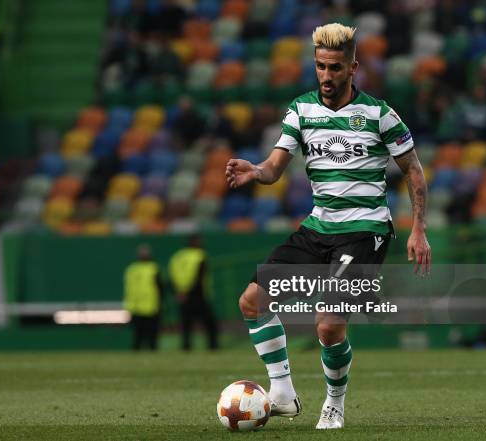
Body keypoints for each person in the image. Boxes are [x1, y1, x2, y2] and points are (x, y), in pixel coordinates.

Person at [225, 23, 431, 429]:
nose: (326, 76)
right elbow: (274, 168)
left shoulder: (379, 113)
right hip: (319, 227)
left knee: (329, 324)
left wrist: (418, 229)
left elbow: (415, 171)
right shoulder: (301, 109)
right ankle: (282, 393)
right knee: (251, 301)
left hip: (365, 231)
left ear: (352, 67)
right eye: (320, 67)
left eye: (335, 68)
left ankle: (334, 403)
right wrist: (255, 171)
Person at [168, 235, 218, 351]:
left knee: (186, 325)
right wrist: (188, 292)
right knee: (210, 324)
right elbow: (198, 277)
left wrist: (178, 292)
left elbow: (172, 275)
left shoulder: (177, 257)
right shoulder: (200, 255)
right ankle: (213, 348)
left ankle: (186, 348)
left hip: (181, 296)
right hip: (197, 294)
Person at [123, 244, 163, 350]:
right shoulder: (133, 269)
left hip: (151, 306)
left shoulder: (153, 268)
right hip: (137, 307)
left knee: (152, 337)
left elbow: (160, 287)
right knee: (138, 337)